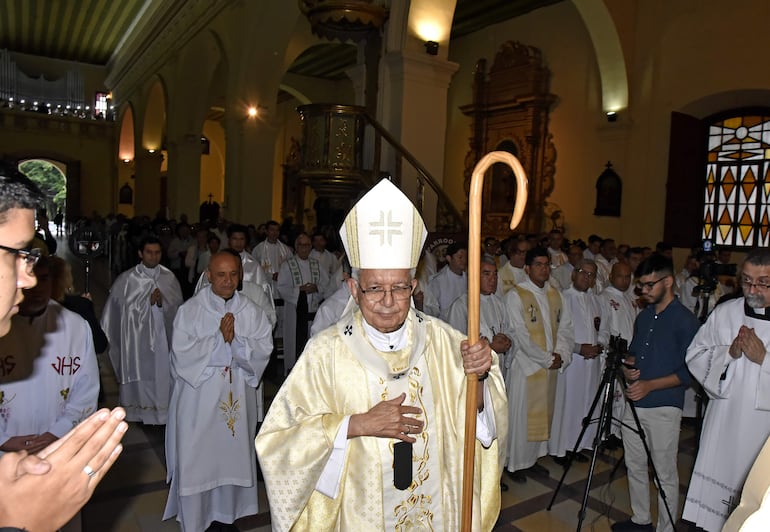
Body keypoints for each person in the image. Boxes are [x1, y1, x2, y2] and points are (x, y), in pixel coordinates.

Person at [256, 179, 508, 531]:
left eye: (399, 288)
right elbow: (279, 441)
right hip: (361, 516)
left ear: (414, 286)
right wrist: (356, 425)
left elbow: (477, 426)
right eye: (374, 289)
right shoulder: (325, 353)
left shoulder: (448, 342)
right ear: (353, 289)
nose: (388, 302)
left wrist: (480, 378)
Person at [0, 169, 127, 531]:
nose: (28, 281)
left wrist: (55, 434)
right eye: (17, 258)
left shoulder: (72, 325)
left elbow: (87, 390)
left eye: (36, 269)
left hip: (55, 449)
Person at [164, 251, 273, 531]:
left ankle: (227, 517)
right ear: (209, 275)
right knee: (197, 460)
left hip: (235, 402)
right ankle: (196, 520)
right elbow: (181, 355)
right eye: (221, 274)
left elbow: (263, 350)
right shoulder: (191, 310)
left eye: (233, 274)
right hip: (198, 403)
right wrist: (218, 340)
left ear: (240, 277)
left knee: (230, 461)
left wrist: (235, 343)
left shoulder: (251, 311)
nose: (227, 280)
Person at [682, 248, 770, 531]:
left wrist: (764, 360)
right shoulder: (725, 312)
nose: (752, 289)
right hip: (724, 421)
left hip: (763, 430)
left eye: (762, 282)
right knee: (713, 513)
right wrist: (728, 354)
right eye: (746, 281)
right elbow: (695, 355)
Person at [611, 255, 700, 532]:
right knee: (634, 464)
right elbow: (636, 355)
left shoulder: (686, 321)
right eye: (641, 286)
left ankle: (666, 527)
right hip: (635, 402)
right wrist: (628, 370)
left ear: (668, 281)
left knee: (664, 473)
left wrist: (650, 384)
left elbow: (689, 372)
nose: (644, 291)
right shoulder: (644, 315)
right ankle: (641, 519)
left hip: (664, 406)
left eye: (649, 285)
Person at [0, 256, 100, 456]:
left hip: (59, 445)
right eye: (31, 277)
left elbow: (86, 388)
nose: (36, 287)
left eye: (44, 278)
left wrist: (58, 432)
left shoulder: (76, 326)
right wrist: (4, 440)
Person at [503, 247, 574, 483]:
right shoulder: (516, 295)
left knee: (543, 418)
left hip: (549, 366)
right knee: (522, 419)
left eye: (547, 265)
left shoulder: (556, 295)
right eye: (539, 265)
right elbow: (520, 335)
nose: (544, 269)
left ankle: (531, 461)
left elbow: (566, 328)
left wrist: (562, 355)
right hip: (527, 368)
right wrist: (546, 359)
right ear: (528, 268)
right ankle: (515, 464)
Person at [101, 236, 183, 424]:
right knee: (139, 374)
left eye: (157, 253)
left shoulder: (169, 277)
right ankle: (137, 412)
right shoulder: (127, 279)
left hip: (162, 339)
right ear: (140, 253)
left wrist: (163, 304)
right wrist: (145, 304)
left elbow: (179, 310)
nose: (154, 257)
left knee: (161, 374)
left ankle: (161, 414)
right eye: (149, 252)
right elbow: (116, 312)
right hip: (136, 342)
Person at [549, 259, 603, 463]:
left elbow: (603, 328)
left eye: (591, 274)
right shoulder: (563, 298)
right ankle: (562, 448)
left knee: (586, 402)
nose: (586, 277)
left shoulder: (596, 301)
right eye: (582, 272)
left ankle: (579, 444)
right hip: (572, 361)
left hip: (592, 362)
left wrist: (600, 345)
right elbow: (558, 334)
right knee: (569, 404)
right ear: (573, 274)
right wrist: (579, 348)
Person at [276, 233, 330, 373]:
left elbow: (327, 284)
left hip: (313, 311)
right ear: (296, 247)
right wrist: (299, 290)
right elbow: (281, 287)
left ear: (310, 246)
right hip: (294, 311)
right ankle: (293, 370)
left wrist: (316, 288)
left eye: (307, 245)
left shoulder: (316, 265)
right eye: (301, 245)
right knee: (294, 342)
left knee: (312, 340)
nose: (304, 249)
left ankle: (311, 371)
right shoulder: (288, 265)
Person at [597, 261, 638, 443]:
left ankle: (617, 431)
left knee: (623, 397)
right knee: (611, 394)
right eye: (620, 276)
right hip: (613, 353)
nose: (624, 280)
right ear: (611, 277)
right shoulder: (604, 298)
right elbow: (604, 327)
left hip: (628, 354)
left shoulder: (629, 298)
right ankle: (606, 432)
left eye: (628, 276)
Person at [425, 241, 468, 319]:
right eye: (460, 257)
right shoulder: (437, 281)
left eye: (465, 257)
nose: (464, 261)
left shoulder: (470, 280)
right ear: (449, 258)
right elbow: (431, 311)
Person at [252, 219, 292, 293]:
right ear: (266, 231)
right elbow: (254, 268)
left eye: (277, 230)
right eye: (272, 230)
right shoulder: (258, 249)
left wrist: (281, 275)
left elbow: (291, 266)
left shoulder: (285, 249)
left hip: (282, 285)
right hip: (265, 285)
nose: (275, 233)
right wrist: (270, 276)